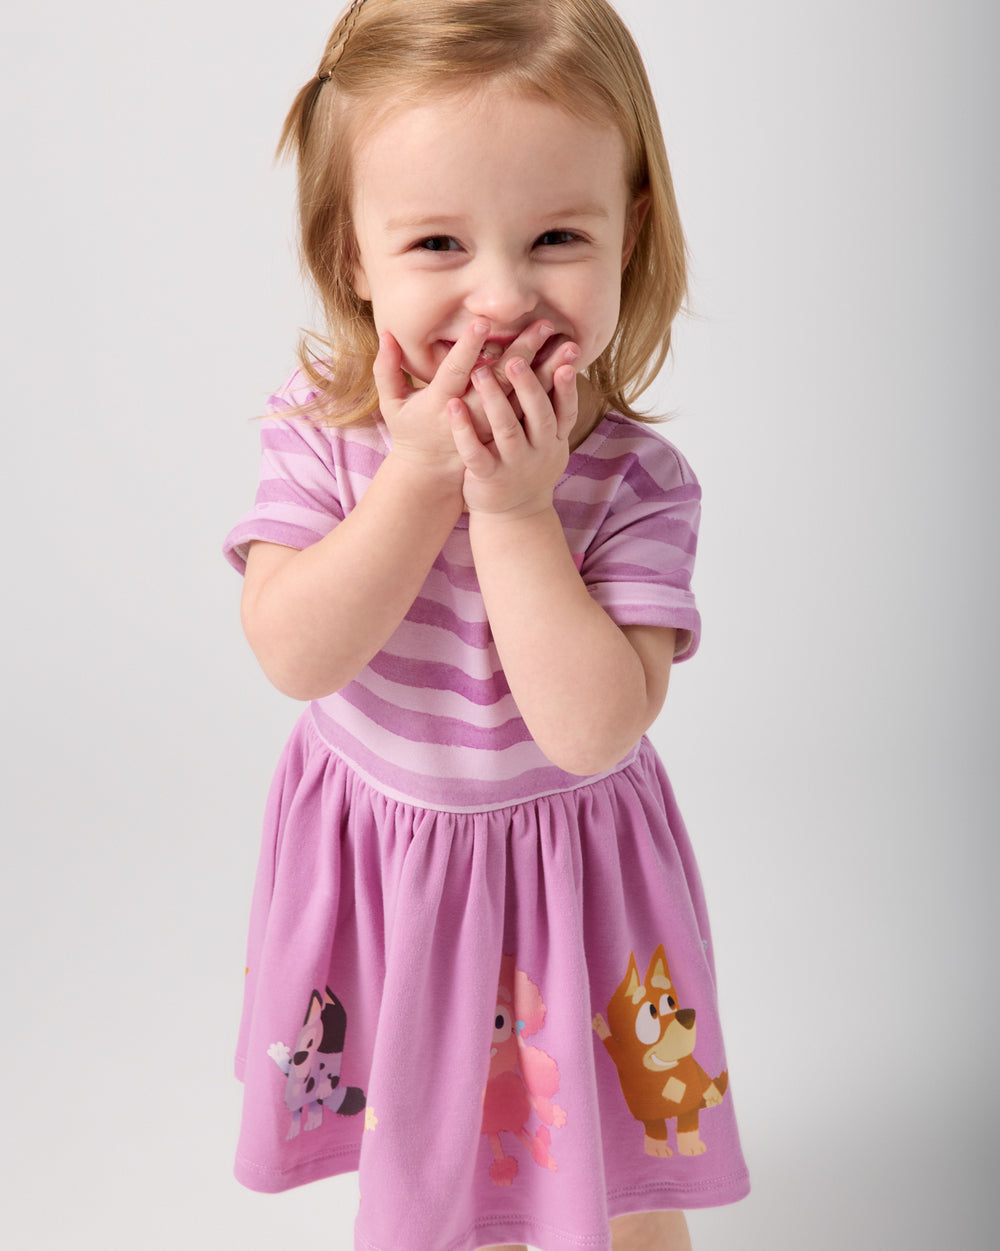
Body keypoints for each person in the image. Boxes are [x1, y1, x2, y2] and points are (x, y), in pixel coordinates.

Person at [223, 2, 749, 1248]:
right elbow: (293, 653)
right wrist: (414, 480)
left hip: (562, 881)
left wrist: (516, 514)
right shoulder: (325, 432)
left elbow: (590, 731)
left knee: (613, 1184)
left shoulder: (629, 483)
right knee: (420, 1153)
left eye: (558, 235)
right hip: (388, 873)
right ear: (355, 256)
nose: (502, 295)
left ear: (634, 236)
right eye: (439, 243)